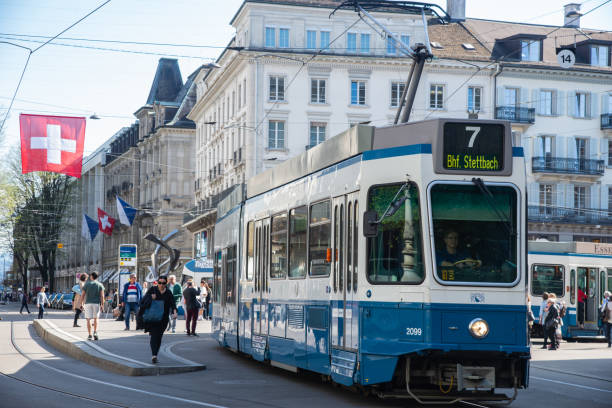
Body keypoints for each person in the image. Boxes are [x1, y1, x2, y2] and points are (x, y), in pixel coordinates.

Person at [138, 275, 177, 363]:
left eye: (163, 283)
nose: (161, 285)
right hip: (153, 318)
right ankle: (154, 355)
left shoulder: (168, 292)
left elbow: (172, 303)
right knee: (154, 335)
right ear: (157, 283)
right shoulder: (153, 290)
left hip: (163, 318)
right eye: (159, 283)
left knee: (159, 336)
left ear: (166, 283)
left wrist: (175, 312)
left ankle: (155, 354)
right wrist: (151, 298)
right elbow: (142, 301)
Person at [82, 272, 105, 341]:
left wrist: (81, 304)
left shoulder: (87, 284)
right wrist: (102, 304)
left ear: (91, 276)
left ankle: (89, 335)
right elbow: (102, 296)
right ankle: (95, 332)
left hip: (88, 303)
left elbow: (82, 295)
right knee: (96, 318)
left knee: (88, 319)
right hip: (96, 303)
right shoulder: (100, 285)